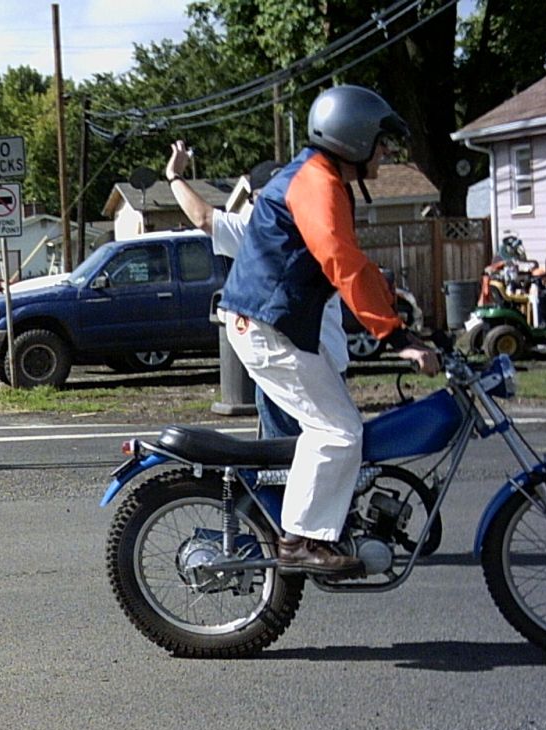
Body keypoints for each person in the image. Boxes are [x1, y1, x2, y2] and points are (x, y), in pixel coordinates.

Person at [217, 85, 440, 575]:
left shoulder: (319, 178)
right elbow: (341, 262)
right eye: (381, 142)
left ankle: (324, 526)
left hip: (272, 324)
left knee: (333, 425)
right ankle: (299, 541)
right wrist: (395, 338)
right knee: (338, 430)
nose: (386, 152)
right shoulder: (317, 182)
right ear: (353, 138)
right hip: (266, 326)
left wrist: (399, 321)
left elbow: (352, 263)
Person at [165, 140, 352, 439]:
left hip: (304, 360)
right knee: (328, 444)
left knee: (312, 449)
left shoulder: (263, 227)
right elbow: (203, 217)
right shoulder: (281, 225)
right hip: (302, 360)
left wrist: (174, 176)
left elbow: (203, 217)